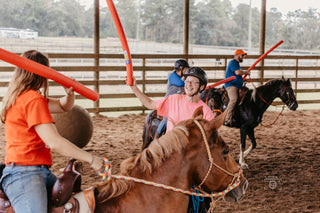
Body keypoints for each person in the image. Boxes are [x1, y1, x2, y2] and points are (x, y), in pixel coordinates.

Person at [0, 50, 104, 213]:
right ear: (41, 74)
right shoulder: (32, 100)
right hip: (25, 175)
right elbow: (54, 142)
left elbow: (63, 106)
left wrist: (69, 94)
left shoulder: (23, 97)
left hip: (36, 172)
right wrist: (91, 159)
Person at [131, 66, 214, 134]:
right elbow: (150, 103)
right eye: (187, 81)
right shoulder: (173, 99)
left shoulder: (206, 112)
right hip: (169, 150)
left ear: (202, 86)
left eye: (193, 82)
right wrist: (134, 88)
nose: (189, 84)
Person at [156, 59, 190, 137]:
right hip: (168, 104)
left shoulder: (182, 78)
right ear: (181, 68)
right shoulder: (172, 76)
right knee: (166, 120)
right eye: (186, 69)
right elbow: (181, 84)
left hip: (178, 104)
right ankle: (157, 135)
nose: (187, 70)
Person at [224, 49, 250, 126]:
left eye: (243, 56)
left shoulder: (237, 64)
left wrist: (242, 80)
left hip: (238, 85)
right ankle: (227, 118)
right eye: (242, 55)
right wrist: (246, 72)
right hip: (231, 85)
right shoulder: (233, 62)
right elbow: (237, 73)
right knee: (234, 99)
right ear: (237, 55)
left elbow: (237, 74)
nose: (243, 57)